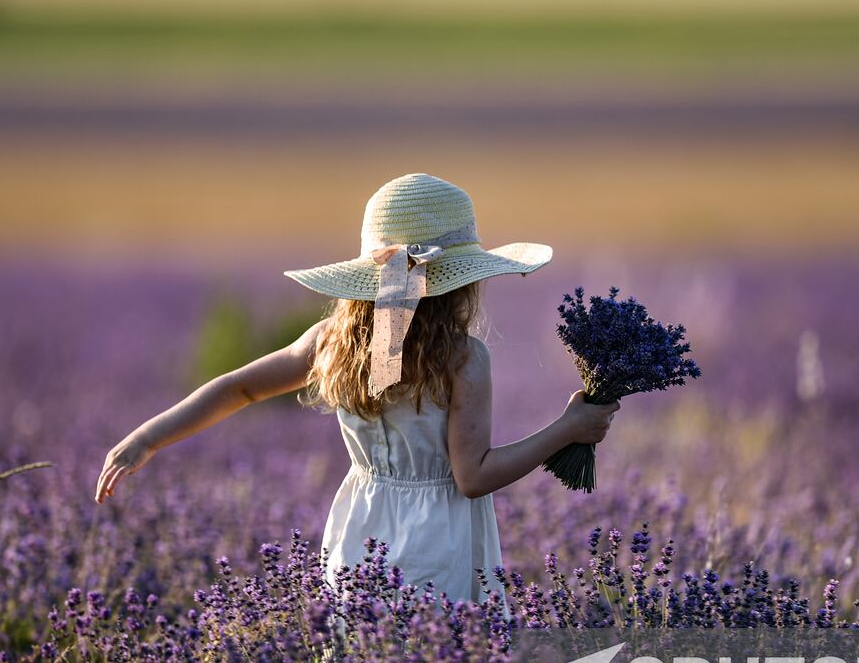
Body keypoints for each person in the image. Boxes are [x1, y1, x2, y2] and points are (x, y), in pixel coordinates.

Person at [95, 173, 618, 602]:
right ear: (462, 279)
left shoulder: (332, 341)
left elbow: (239, 389)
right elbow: (473, 476)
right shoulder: (463, 357)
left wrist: (147, 438)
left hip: (358, 531)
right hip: (441, 540)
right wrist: (568, 428)